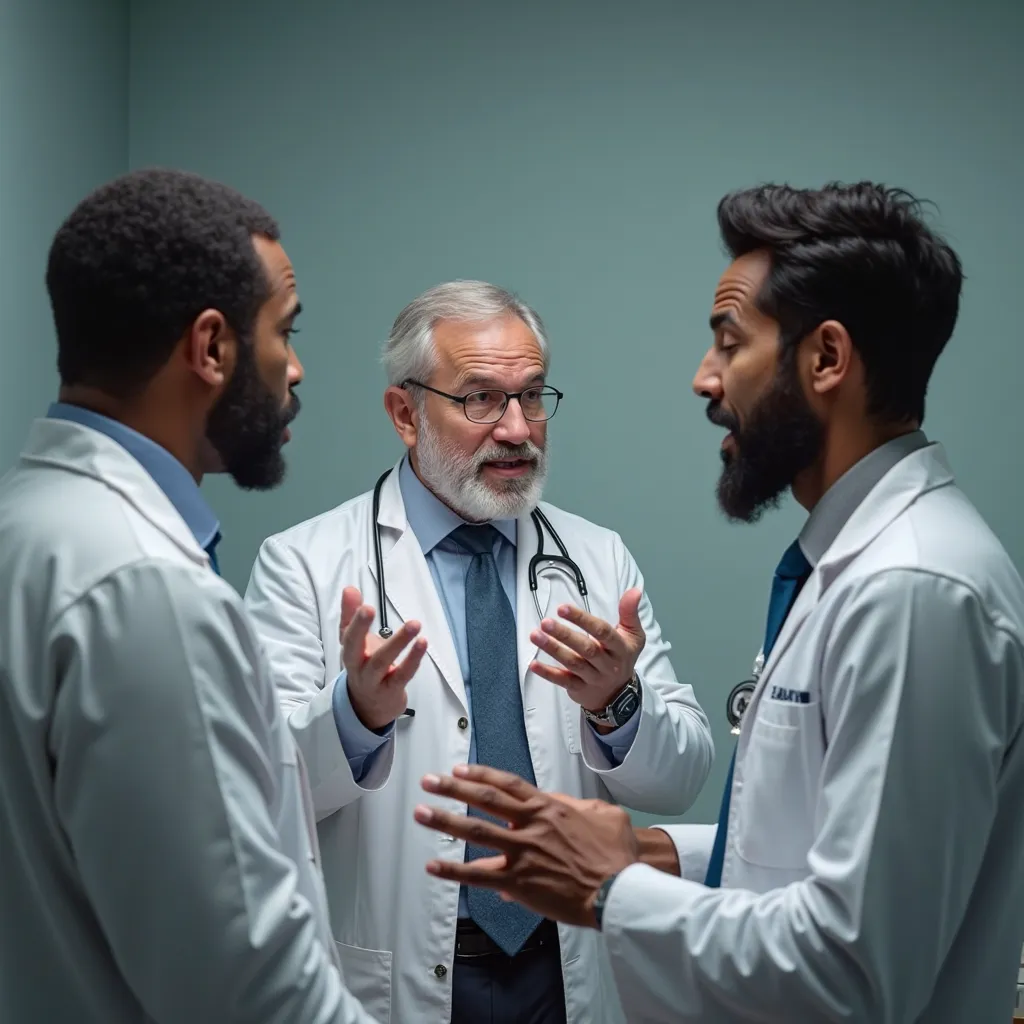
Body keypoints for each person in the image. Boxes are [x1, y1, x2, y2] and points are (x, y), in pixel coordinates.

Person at [413, 183, 1024, 1023]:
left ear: (827, 359)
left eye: (729, 344)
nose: (705, 379)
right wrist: (654, 852)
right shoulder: (858, 566)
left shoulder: (914, 591)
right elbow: (818, 860)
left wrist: (609, 889)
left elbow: (855, 974)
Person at [243, 279, 715, 1024]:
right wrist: (356, 715)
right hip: (400, 972)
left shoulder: (596, 559)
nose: (518, 428)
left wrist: (616, 705)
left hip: (565, 966)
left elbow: (680, 777)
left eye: (532, 397)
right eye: (481, 399)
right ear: (405, 413)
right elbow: (259, 791)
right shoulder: (302, 563)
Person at [0, 168, 377, 1024]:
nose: (297, 368)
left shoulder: (30, 527)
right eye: (286, 332)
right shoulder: (146, 588)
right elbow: (250, 990)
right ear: (210, 348)